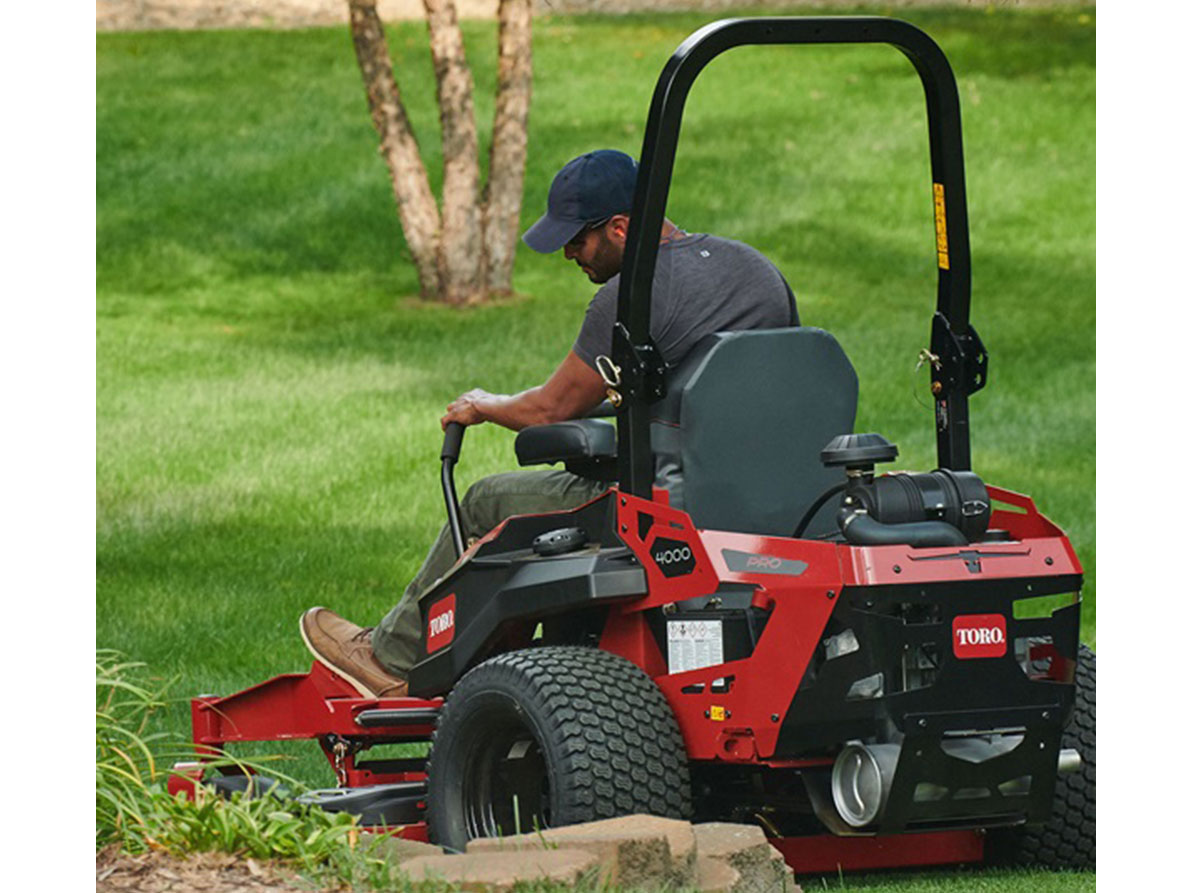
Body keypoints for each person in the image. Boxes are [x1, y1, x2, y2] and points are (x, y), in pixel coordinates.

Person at [299, 149, 799, 697]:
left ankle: (391, 660)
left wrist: (484, 404)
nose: (568, 254)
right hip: (773, 499)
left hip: (661, 509)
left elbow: (550, 411)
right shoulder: (757, 271)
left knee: (486, 500)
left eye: (577, 239)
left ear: (619, 227)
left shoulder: (630, 297)